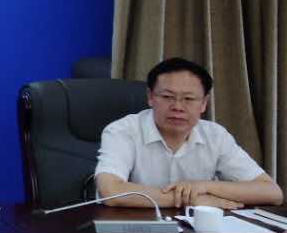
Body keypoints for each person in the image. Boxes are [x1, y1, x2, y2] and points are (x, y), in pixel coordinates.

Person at [95, 57, 283, 209]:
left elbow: (272, 193)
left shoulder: (216, 136)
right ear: (150, 97)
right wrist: (191, 200)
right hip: (134, 230)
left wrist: (203, 186)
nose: (178, 107)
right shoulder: (122, 131)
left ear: (203, 104)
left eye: (189, 99)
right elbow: (110, 191)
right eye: (167, 97)